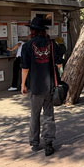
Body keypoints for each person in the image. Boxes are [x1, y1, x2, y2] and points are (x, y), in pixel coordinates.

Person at [20, 16, 64, 156]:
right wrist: (57, 73)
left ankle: (34, 142)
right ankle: (48, 143)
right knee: (48, 115)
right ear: (44, 30)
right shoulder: (52, 44)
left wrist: (23, 84)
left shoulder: (27, 46)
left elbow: (25, 68)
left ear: (32, 30)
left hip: (35, 86)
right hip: (49, 86)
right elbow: (59, 64)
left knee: (34, 115)